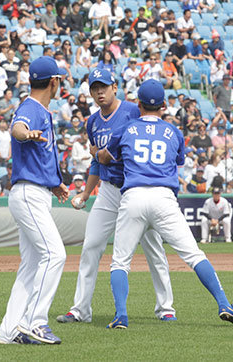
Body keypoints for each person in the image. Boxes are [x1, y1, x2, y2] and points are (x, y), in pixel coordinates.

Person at [96, 79, 233, 328]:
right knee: (194, 255)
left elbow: (105, 157)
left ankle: (121, 316)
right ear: (164, 105)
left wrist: (97, 153)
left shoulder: (125, 128)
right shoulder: (174, 132)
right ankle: (223, 303)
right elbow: (177, 160)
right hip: (164, 198)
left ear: (138, 104)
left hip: (133, 195)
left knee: (120, 261)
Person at [56, 68, 176, 326]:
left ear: (115, 87)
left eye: (104, 86)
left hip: (138, 189)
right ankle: (80, 309)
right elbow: (97, 163)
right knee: (91, 246)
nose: (100, 92)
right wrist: (87, 193)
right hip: (109, 191)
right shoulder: (92, 122)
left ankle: (166, 307)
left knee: (154, 249)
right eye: (94, 87)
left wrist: (105, 154)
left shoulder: (134, 111)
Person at [0, 56, 69, 345]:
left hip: (36, 191)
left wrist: (55, 184)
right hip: (28, 194)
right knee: (55, 254)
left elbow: (37, 155)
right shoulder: (31, 107)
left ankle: (9, 331)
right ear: (54, 82)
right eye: (59, 79)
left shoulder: (39, 109)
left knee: (32, 264)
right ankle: (34, 322)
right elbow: (17, 128)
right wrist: (26, 133)